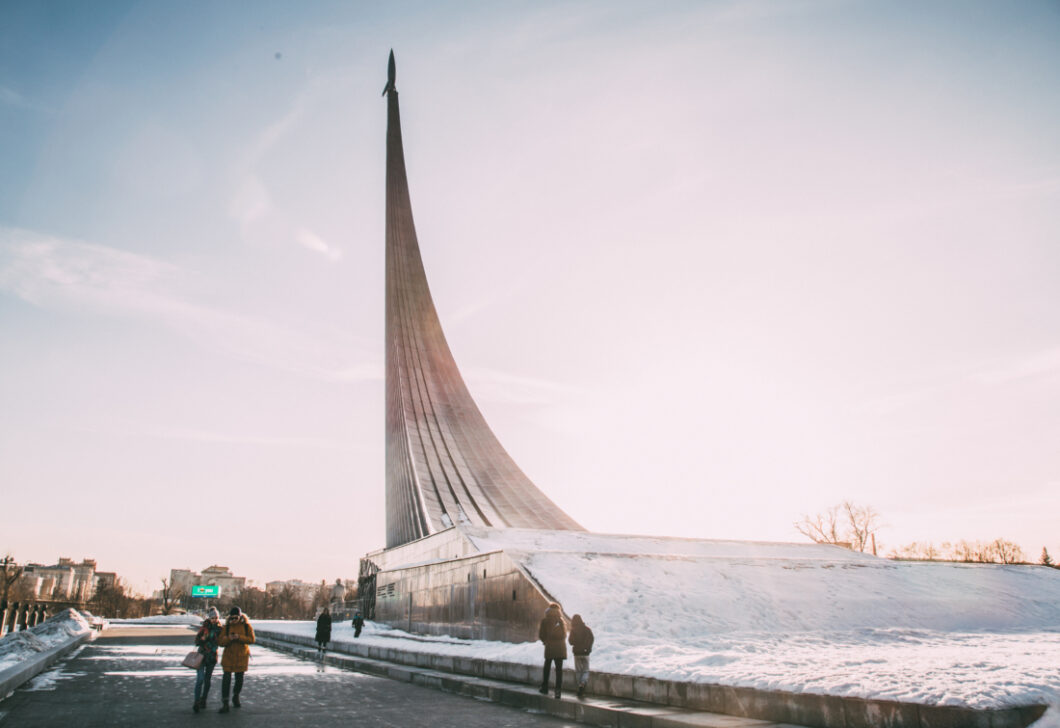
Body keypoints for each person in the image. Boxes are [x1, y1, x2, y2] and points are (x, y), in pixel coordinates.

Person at [217, 606, 255, 713]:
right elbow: (220, 642)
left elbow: (252, 639)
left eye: (236, 618)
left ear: (240, 616)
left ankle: (236, 695)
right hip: (228, 657)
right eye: (232, 618)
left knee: (239, 679)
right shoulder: (227, 627)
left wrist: (239, 637)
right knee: (226, 680)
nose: (234, 620)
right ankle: (225, 703)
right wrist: (229, 638)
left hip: (241, 657)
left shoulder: (246, 626)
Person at [192, 607, 223, 713]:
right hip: (201, 656)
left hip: (212, 657)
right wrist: (202, 640)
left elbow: (222, 642)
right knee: (200, 679)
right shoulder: (204, 627)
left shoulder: (220, 629)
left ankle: (203, 699)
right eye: (212, 618)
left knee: (207, 679)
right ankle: (196, 701)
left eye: (216, 618)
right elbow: (196, 641)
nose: (214, 620)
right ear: (209, 618)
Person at [538, 602, 566, 698]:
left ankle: (545, 687)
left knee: (547, 667)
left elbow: (541, 635)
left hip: (550, 647)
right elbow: (564, 635)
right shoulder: (561, 620)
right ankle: (558, 691)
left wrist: (545, 641)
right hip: (560, 648)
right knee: (559, 670)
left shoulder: (545, 621)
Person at [568, 614, 594, 699]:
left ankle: (580, 686)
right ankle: (583, 683)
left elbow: (570, 642)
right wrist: (588, 648)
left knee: (579, 671)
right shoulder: (587, 629)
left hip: (577, 653)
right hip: (585, 653)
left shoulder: (573, 630)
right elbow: (591, 639)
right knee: (586, 670)